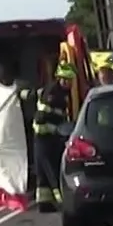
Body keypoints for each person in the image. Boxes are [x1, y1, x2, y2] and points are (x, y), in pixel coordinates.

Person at [31, 64, 75, 208]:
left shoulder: (61, 92)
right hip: (44, 136)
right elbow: (42, 117)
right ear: (60, 78)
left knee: (43, 172)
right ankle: (62, 200)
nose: (69, 83)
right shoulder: (53, 93)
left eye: (70, 80)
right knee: (51, 169)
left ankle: (44, 203)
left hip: (49, 136)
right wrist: (57, 130)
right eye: (66, 80)